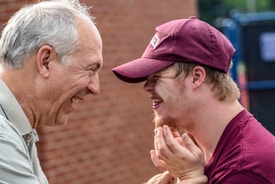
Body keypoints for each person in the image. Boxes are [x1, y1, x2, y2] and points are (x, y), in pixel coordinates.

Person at [112, 16, 275, 183]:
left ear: (196, 77)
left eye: (156, 77)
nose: (146, 87)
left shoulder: (244, 171)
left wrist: (189, 178)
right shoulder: (205, 153)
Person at [0, 0, 103, 183]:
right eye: (90, 69)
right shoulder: (3, 135)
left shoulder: (19, 129)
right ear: (46, 61)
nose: (95, 88)